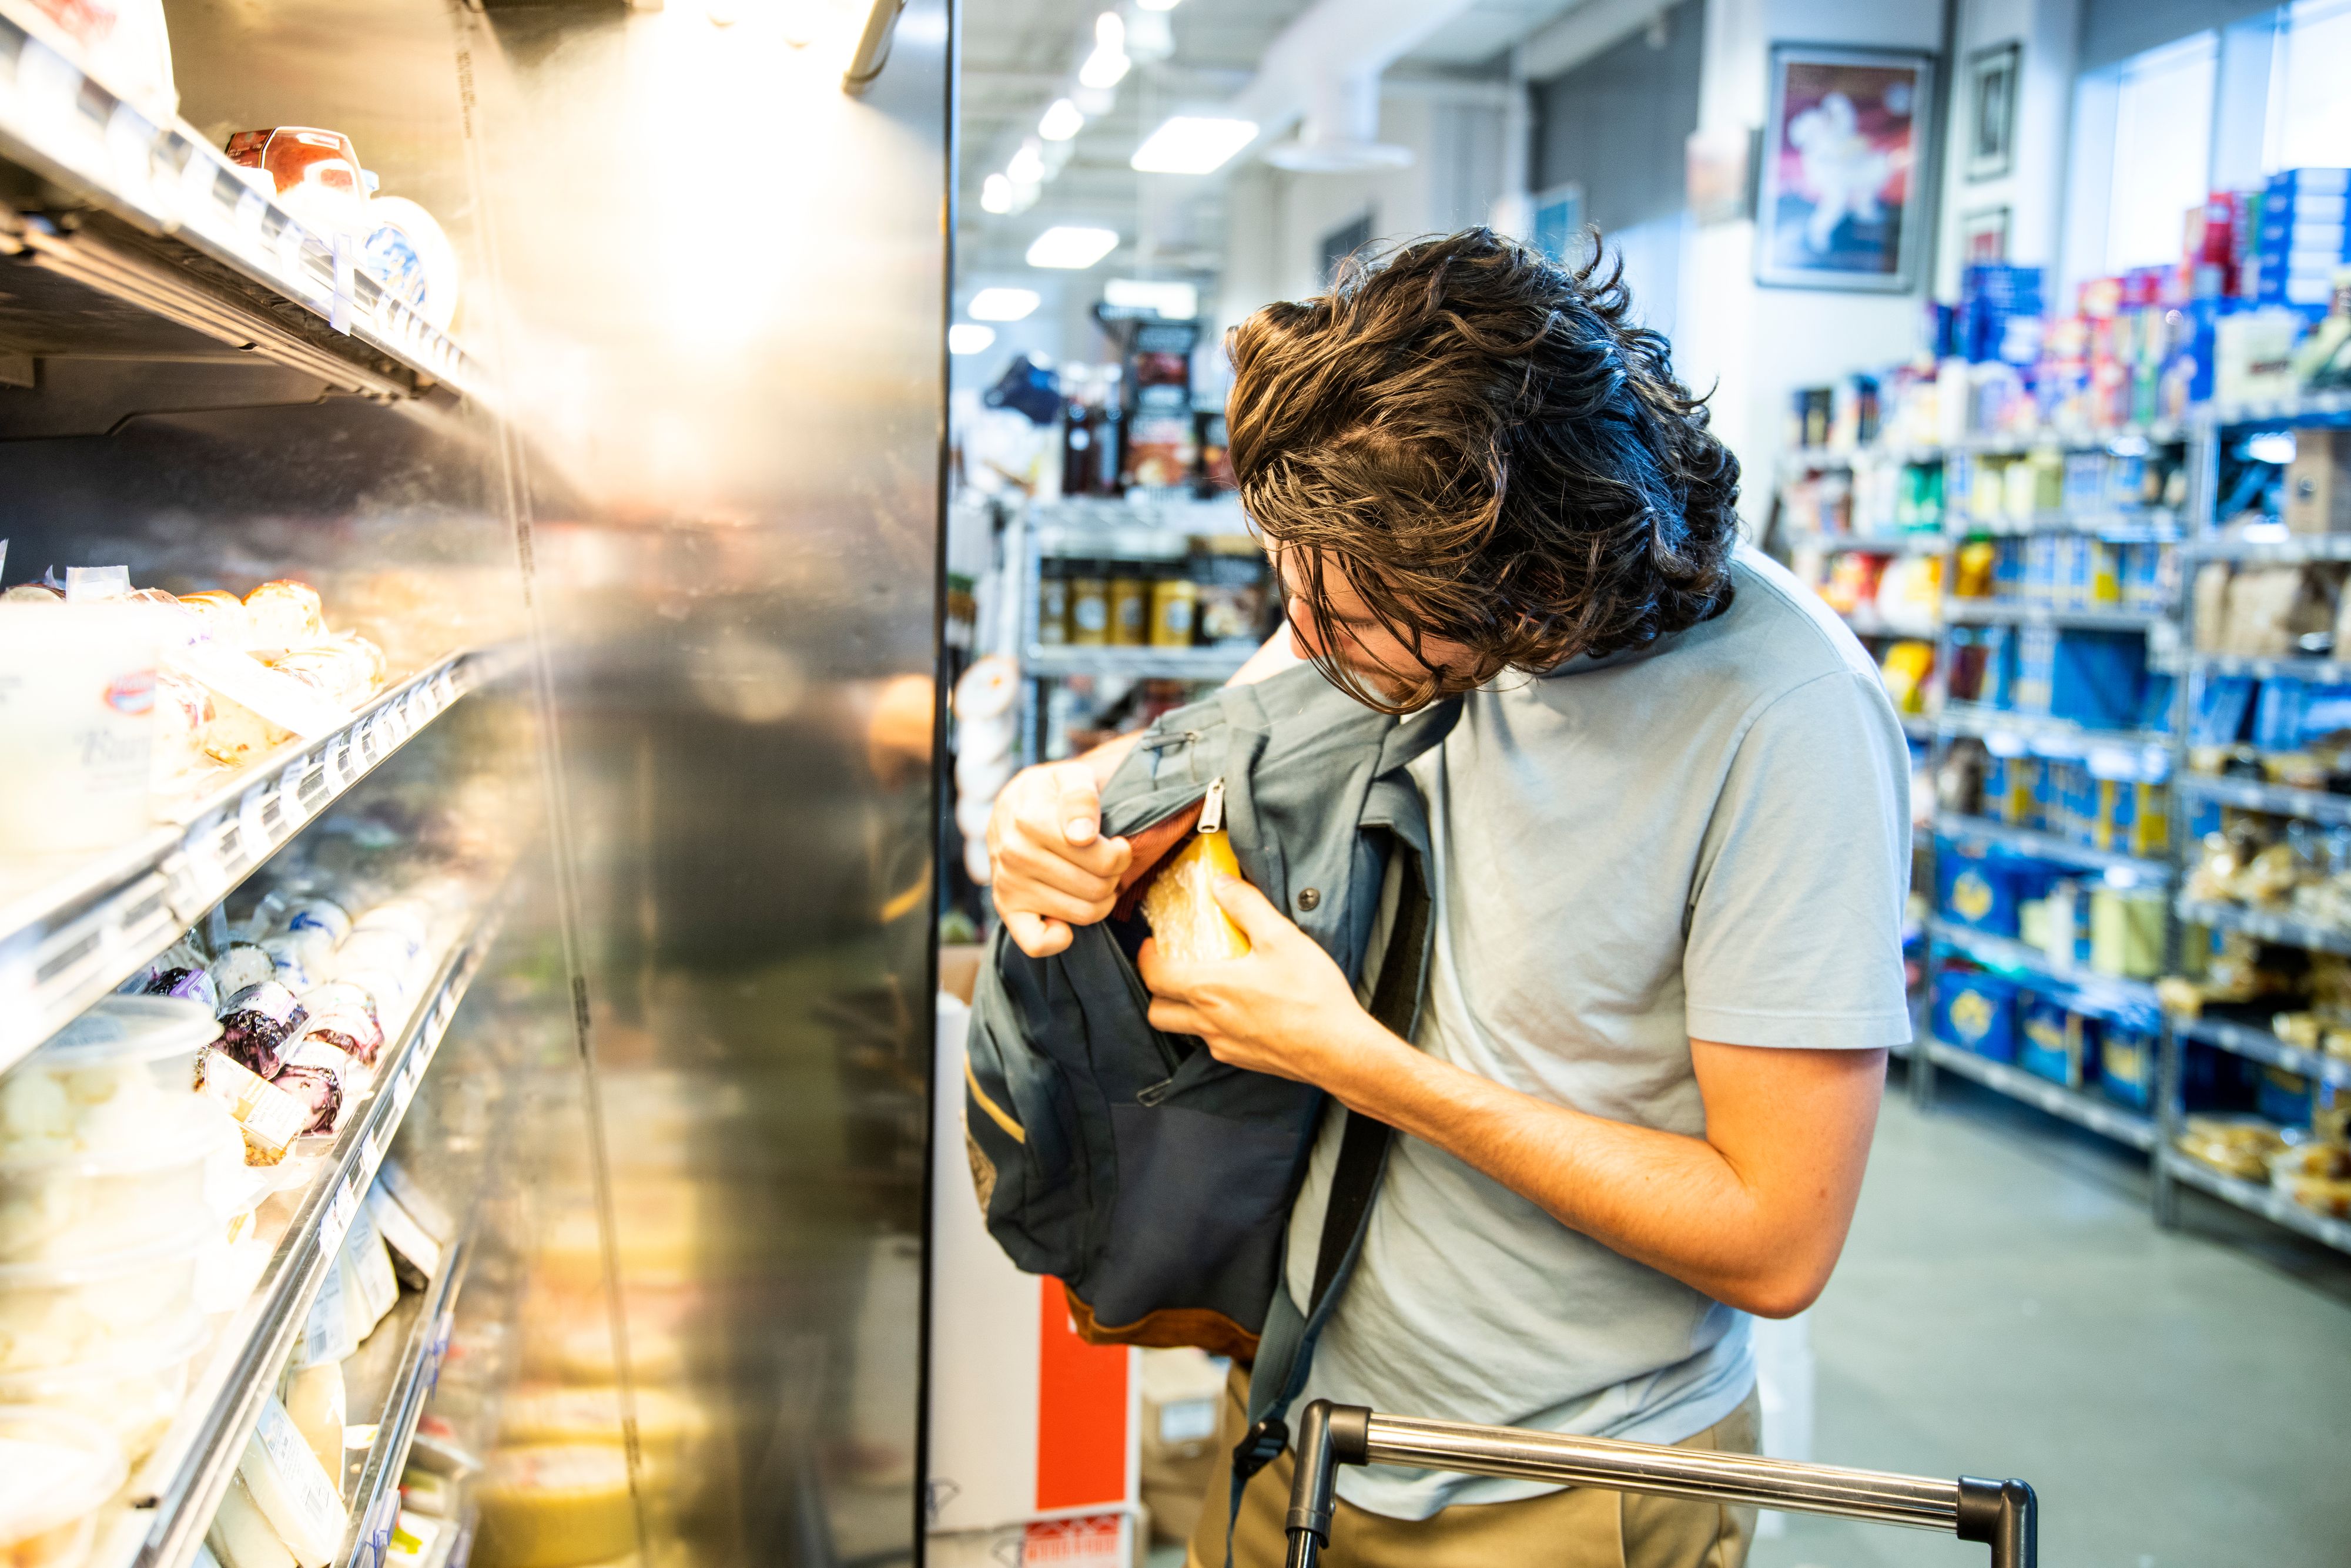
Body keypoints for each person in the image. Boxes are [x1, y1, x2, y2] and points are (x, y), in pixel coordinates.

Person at [983, 229, 1910, 1568]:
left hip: (1552, 1482)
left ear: (1533, 588)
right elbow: (1193, 755)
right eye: (1291, 590)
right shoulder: (1386, 567)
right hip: (1299, 1411)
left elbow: (1772, 1236)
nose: (1304, 639)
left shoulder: (1786, 718)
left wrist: (1353, 1058)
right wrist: (1047, 807)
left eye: (1349, 622)